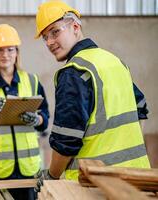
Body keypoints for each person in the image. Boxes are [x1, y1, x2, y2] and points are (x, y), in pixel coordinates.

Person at [34, 0, 150, 187]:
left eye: (55, 32)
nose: (49, 42)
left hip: (95, 185)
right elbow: (141, 109)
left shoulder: (74, 72)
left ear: (75, 26)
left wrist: (52, 176)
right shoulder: (114, 61)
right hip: (138, 179)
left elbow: (66, 140)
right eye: (45, 37)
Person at [0, 24, 49, 200]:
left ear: (17, 52)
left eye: (10, 50)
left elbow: (45, 118)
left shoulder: (33, 81)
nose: (5, 55)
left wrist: (37, 120)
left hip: (28, 169)